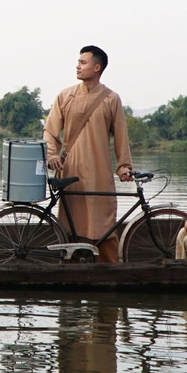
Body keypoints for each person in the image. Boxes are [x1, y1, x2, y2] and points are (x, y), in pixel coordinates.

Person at [43, 45, 133, 262]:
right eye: (78, 62)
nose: (78, 66)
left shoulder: (111, 99)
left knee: (104, 225)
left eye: (83, 62)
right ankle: (72, 268)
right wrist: (52, 155)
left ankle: (110, 271)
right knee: (71, 223)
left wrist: (123, 167)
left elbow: (121, 137)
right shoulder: (65, 96)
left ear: (97, 67)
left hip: (99, 173)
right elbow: (50, 131)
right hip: (70, 170)